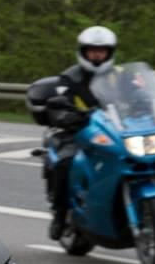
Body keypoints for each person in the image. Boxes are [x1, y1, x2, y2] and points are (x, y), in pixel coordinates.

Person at [45, 25, 117, 239]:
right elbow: (59, 105)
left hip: (116, 129)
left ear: (110, 52)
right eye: (92, 50)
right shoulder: (69, 78)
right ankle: (60, 215)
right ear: (83, 51)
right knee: (66, 161)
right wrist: (67, 116)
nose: (97, 55)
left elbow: (139, 95)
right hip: (79, 131)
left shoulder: (120, 75)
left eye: (102, 50)